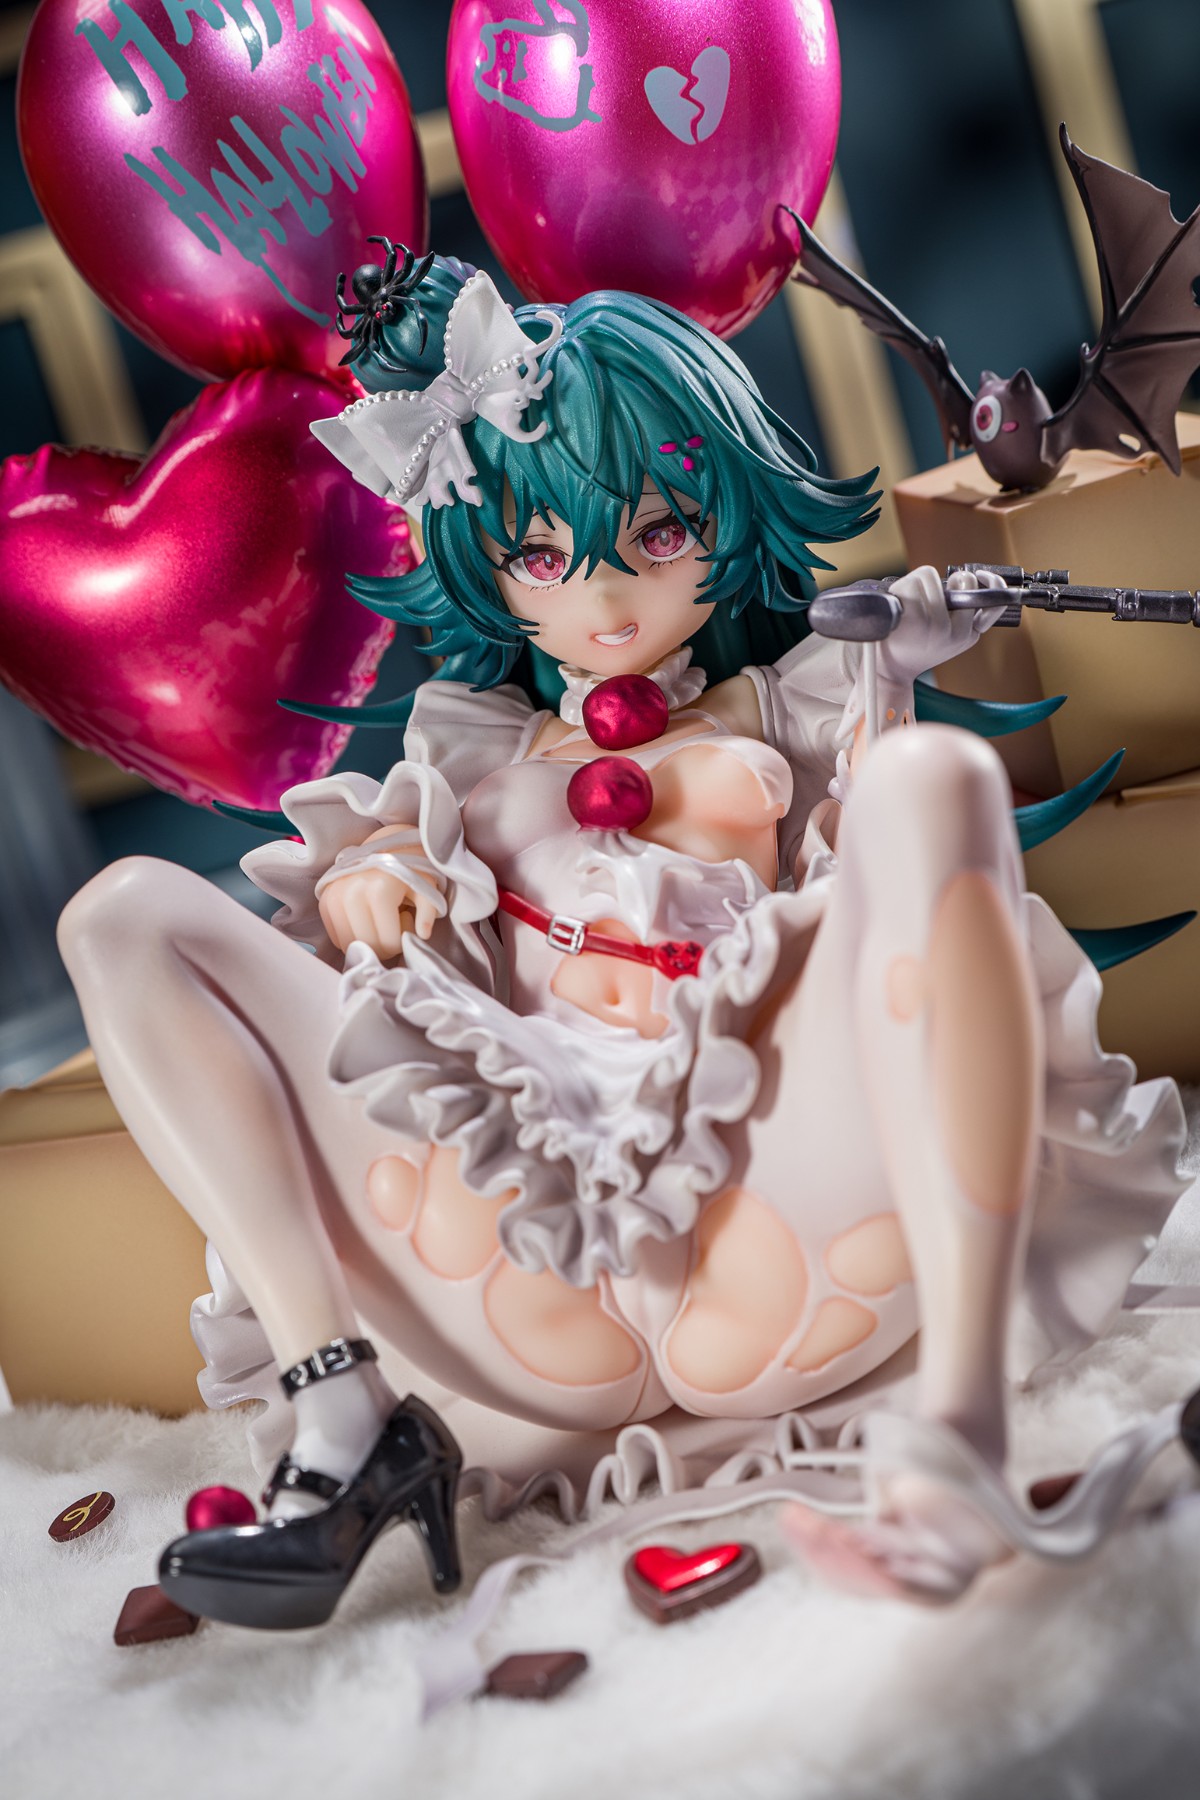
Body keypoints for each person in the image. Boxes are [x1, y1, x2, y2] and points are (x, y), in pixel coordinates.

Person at [57, 255, 1188, 1628]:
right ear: (487, 564)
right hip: (525, 1262)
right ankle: (342, 1422)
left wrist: (893, 680)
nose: (605, 597)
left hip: (760, 1216)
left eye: (657, 534)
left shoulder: (794, 707)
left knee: (929, 780)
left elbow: (891, 901)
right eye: (544, 555)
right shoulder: (468, 758)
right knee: (122, 915)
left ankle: (959, 1450)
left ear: (727, 514)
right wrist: (378, 876)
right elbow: (380, 878)